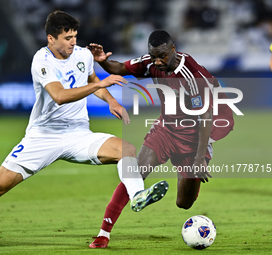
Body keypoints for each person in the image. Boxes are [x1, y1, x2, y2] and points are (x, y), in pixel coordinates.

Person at [0, 12, 168, 253]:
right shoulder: (42, 60)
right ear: (51, 38)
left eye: (75, 36)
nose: (73, 42)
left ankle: (137, 196)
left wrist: (110, 100)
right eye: (67, 38)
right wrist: (99, 85)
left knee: (126, 149)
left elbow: (92, 78)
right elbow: (60, 96)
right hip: (43, 136)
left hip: (78, 134)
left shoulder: (82, 54)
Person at [88, 30, 234, 248]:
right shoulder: (152, 62)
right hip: (166, 128)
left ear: (173, 49)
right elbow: (120, 68)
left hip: (195, 135)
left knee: (184, 203)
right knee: (135, 172)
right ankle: (103, 234)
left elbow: (206, 117)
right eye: (153, 56)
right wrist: (103, 61)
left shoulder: (192, 75)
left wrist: (199, 157)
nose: (157, 61)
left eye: (162, 56)